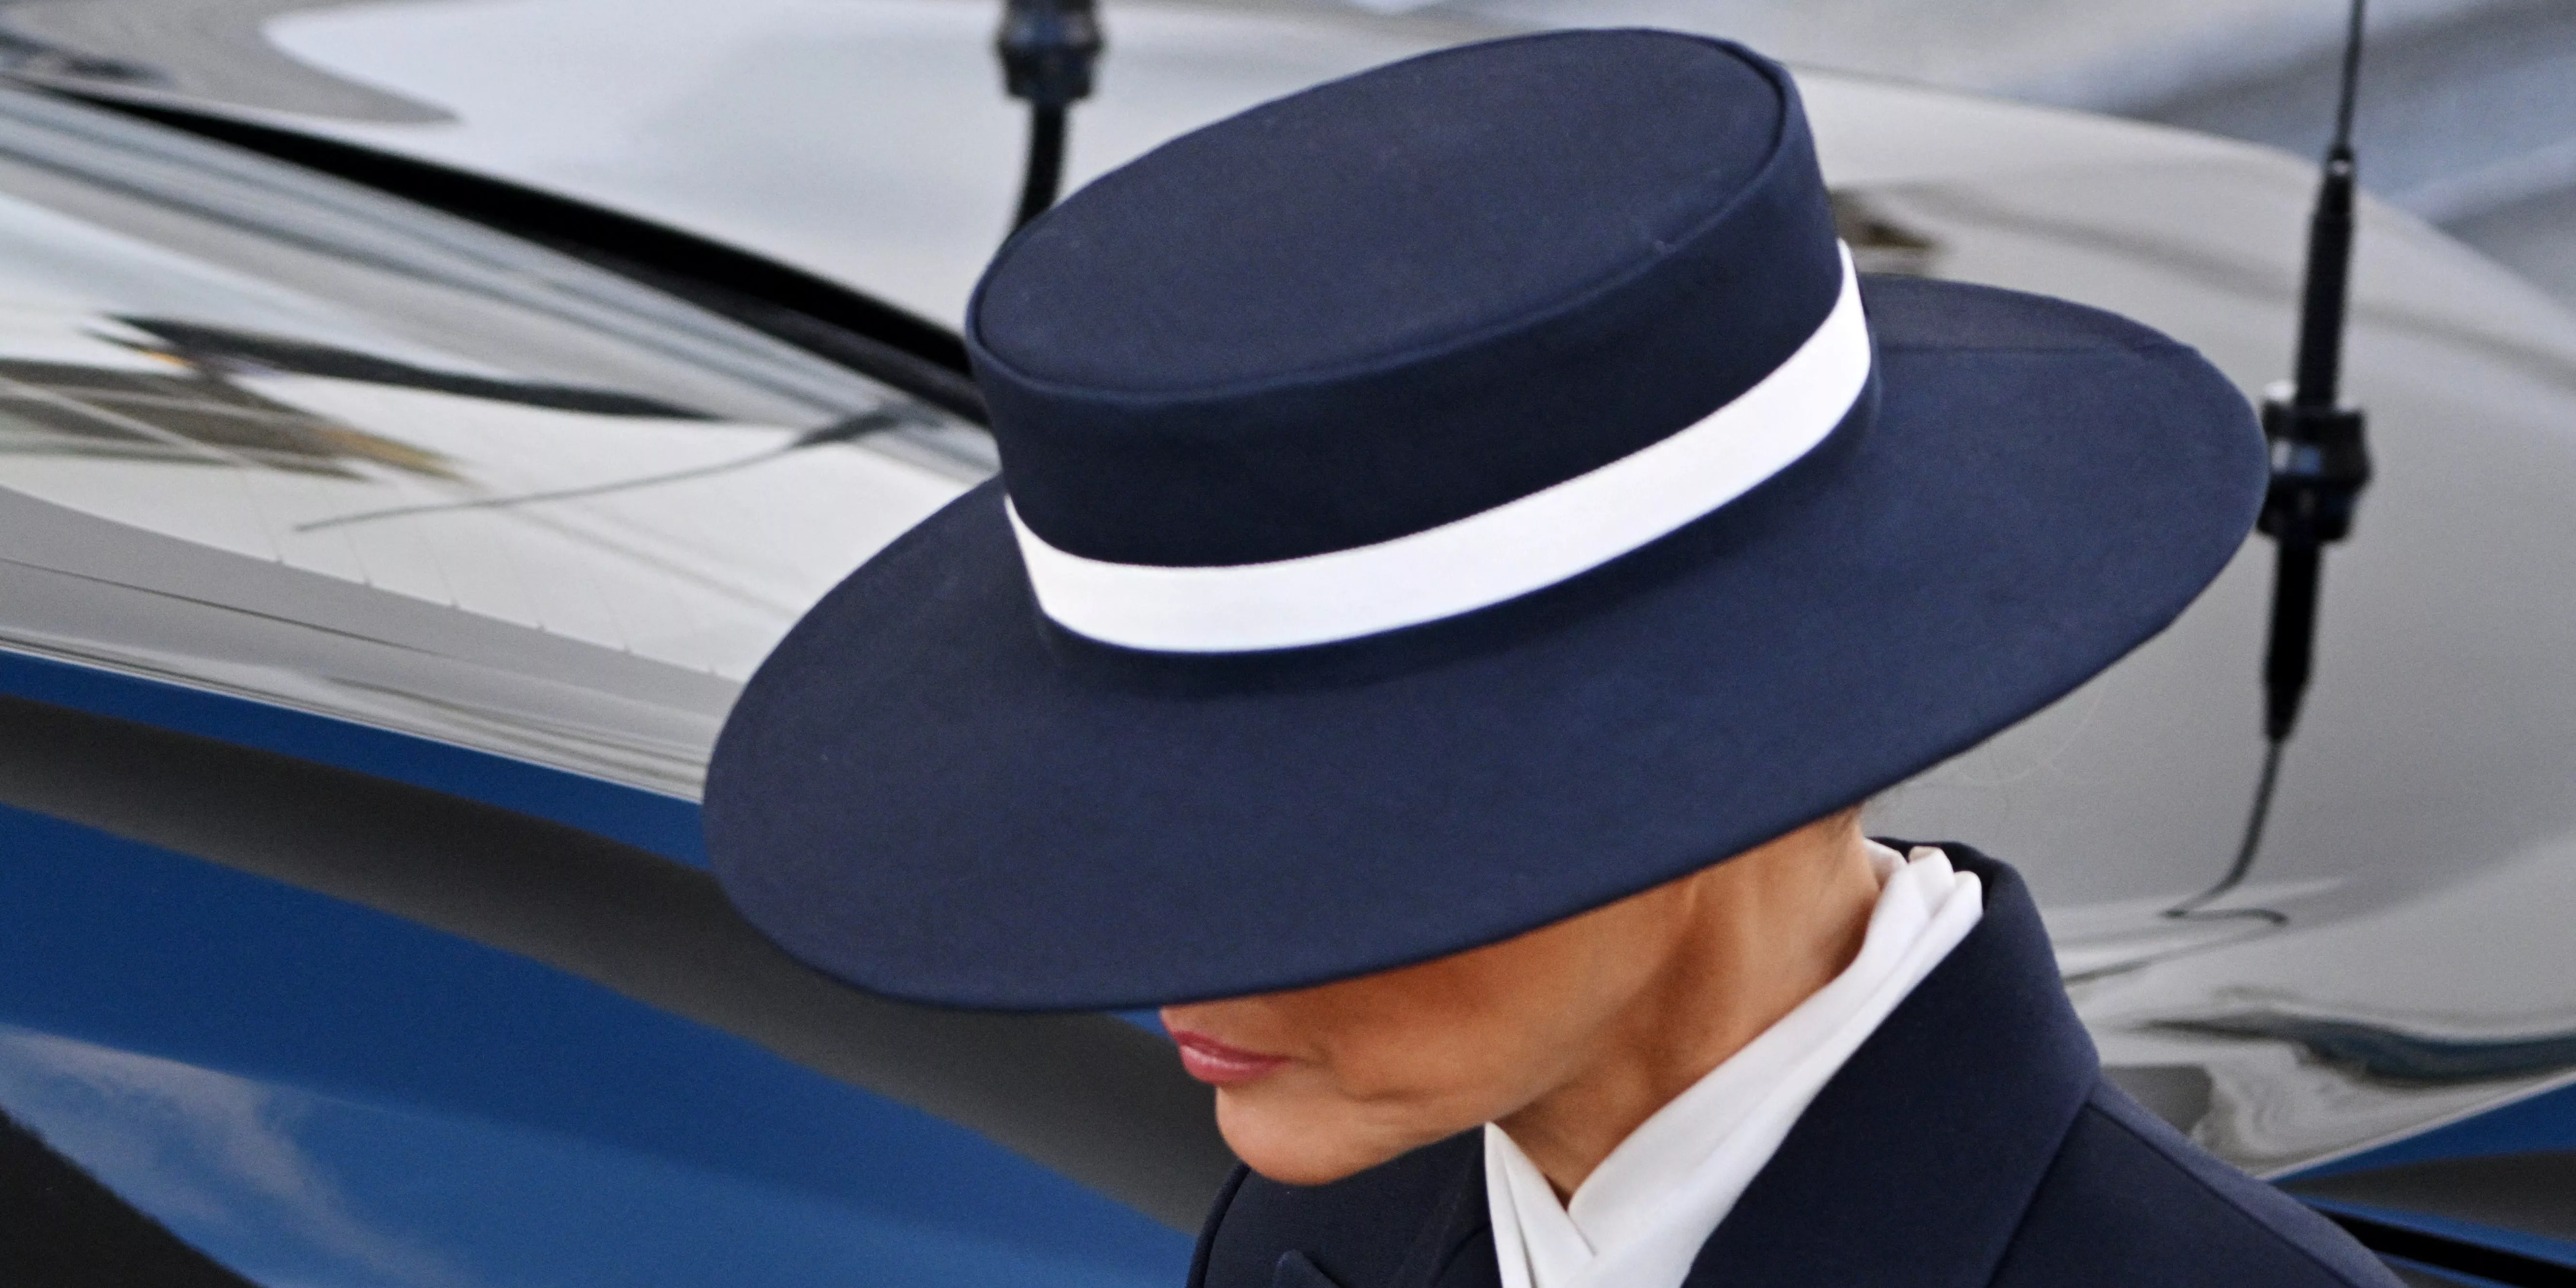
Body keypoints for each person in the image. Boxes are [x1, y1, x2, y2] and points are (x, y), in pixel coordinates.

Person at [703, 28, 2403, 1288]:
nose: (1176, 972)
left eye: (1284, 843)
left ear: (1702, 764)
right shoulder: (1326, 1221)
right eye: (1140, 826)